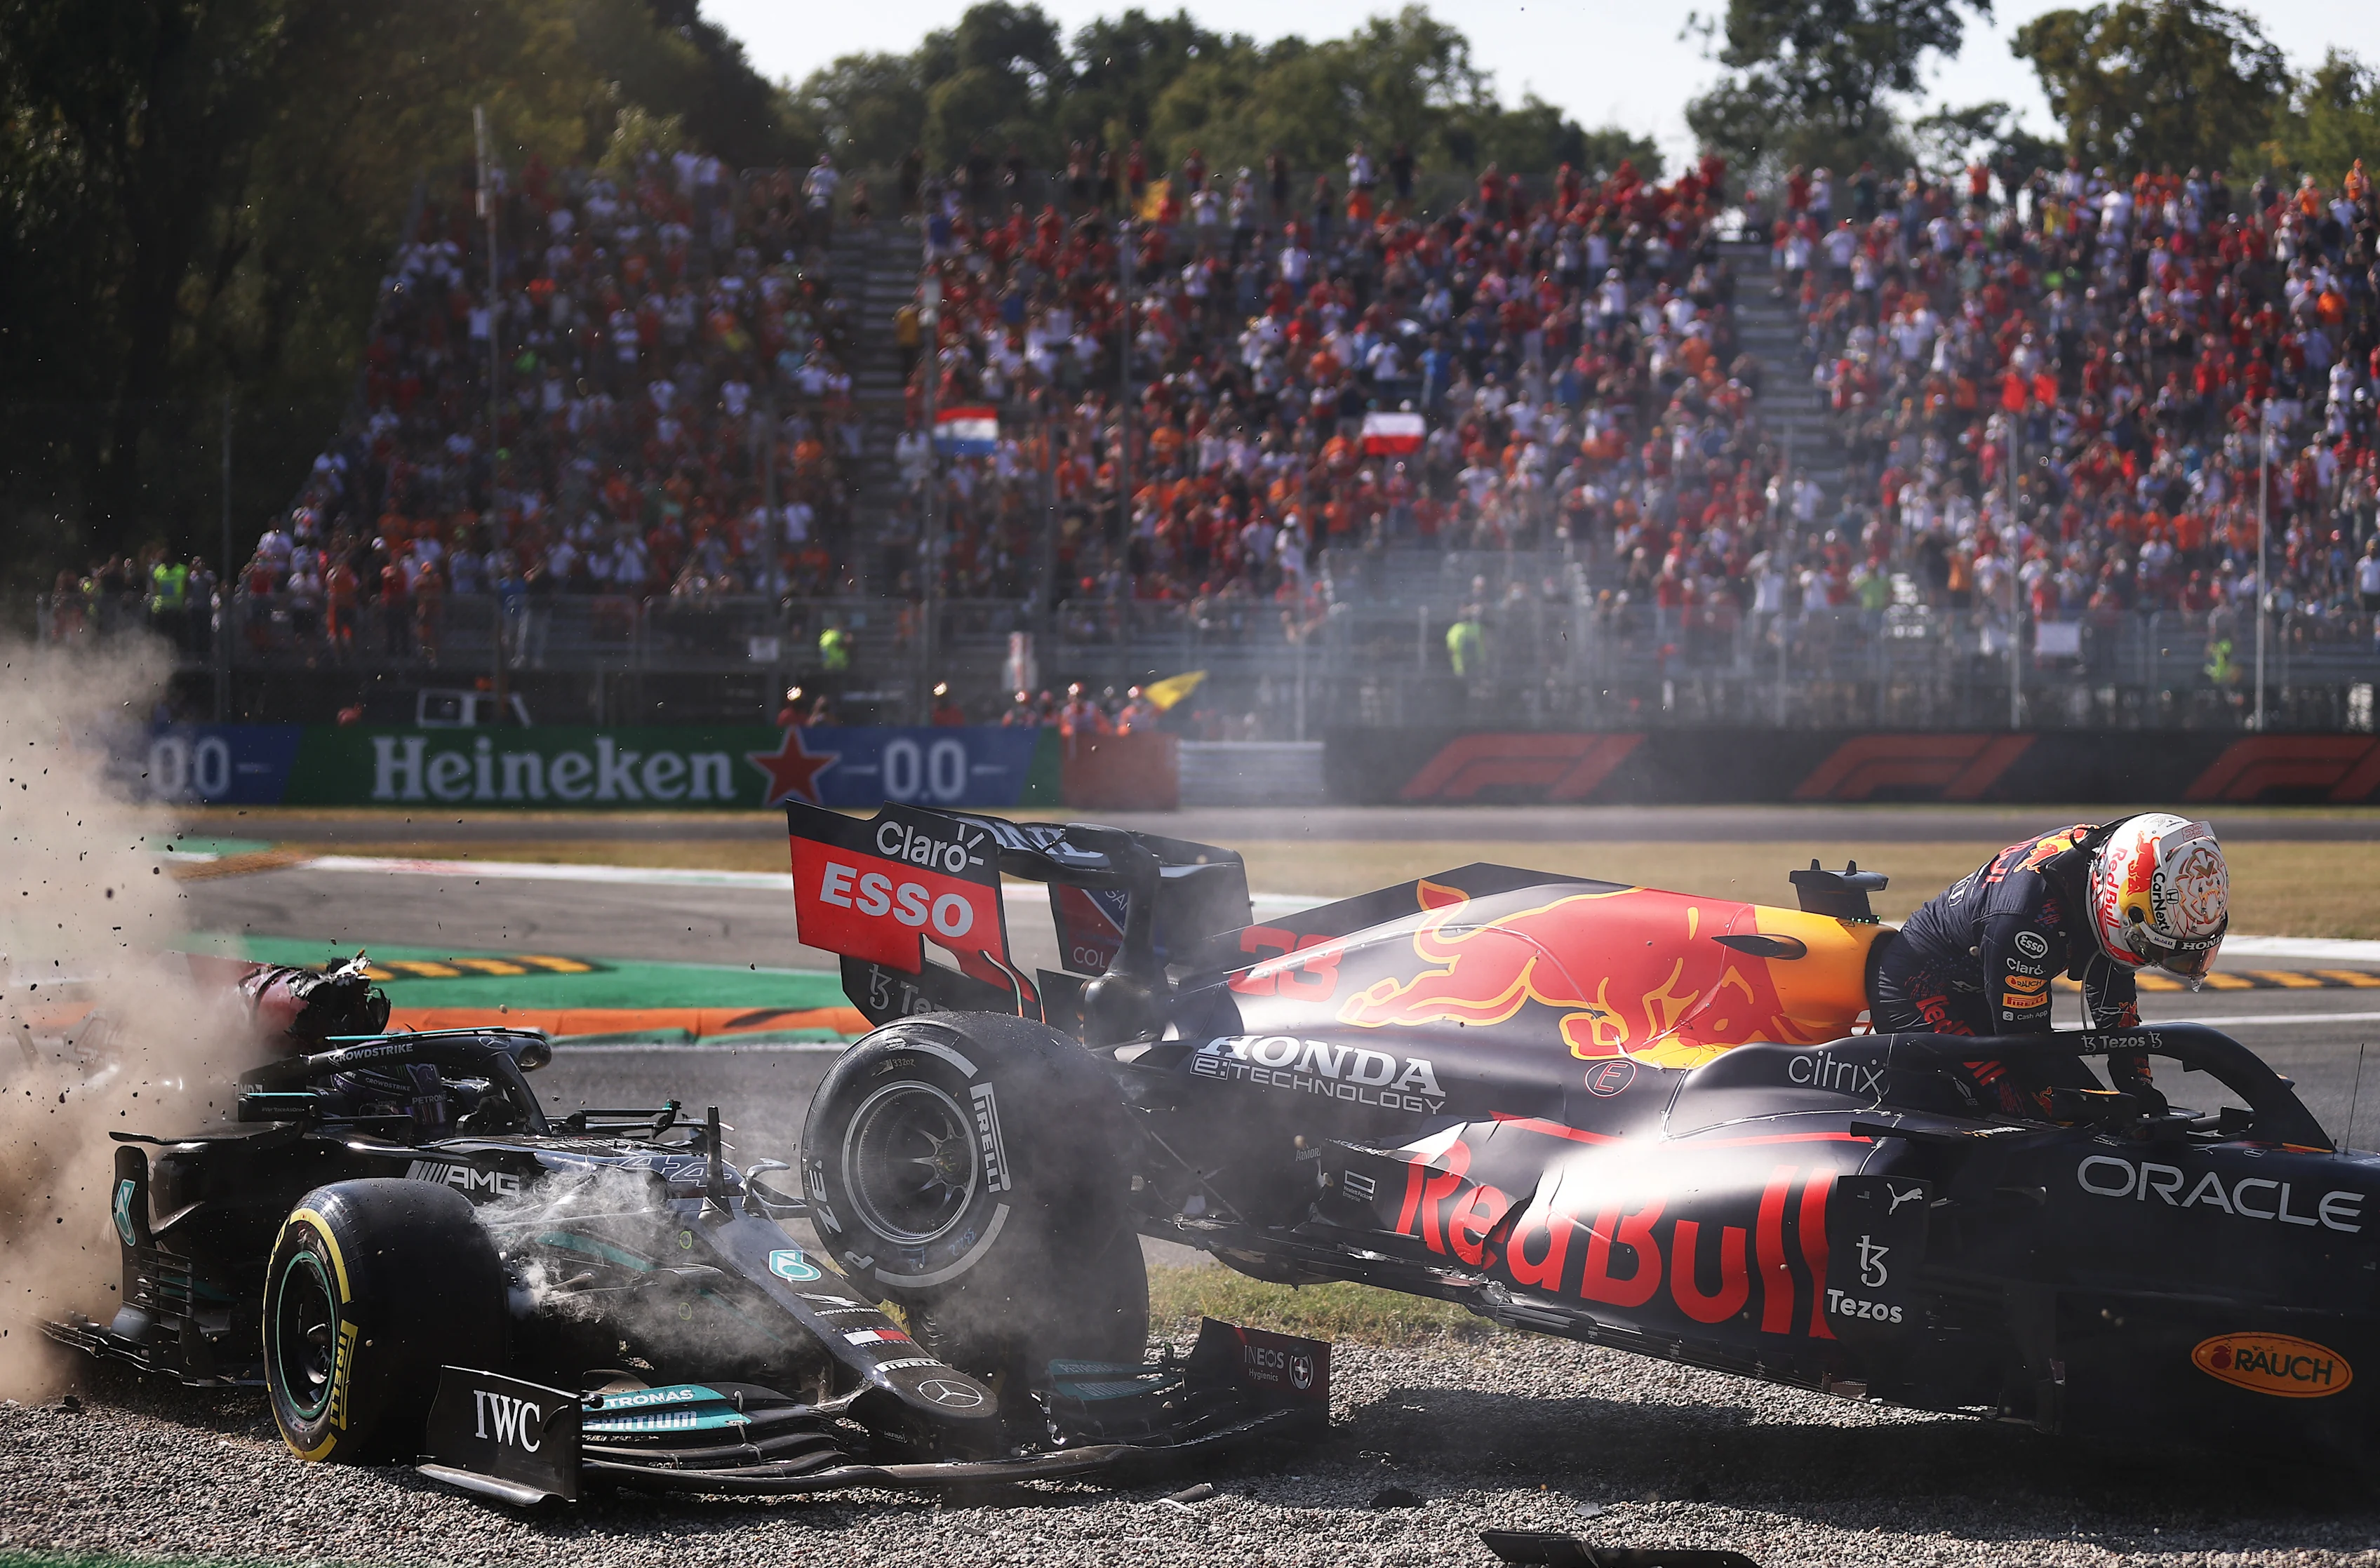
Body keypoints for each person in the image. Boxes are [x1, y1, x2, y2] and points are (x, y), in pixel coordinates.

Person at [1873, 815, 2230, 1116]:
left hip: (1984, 983)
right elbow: (2026, 1049)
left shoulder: (2111, 869)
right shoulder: (2029, 923)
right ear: (2121, 911)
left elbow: (2112, 991)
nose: (2156, 959)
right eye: (2154, 947)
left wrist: (2137, 1085)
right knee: (2029, 1107)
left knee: (2101, 1108)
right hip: (1919, 991)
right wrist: (2105, 1109)